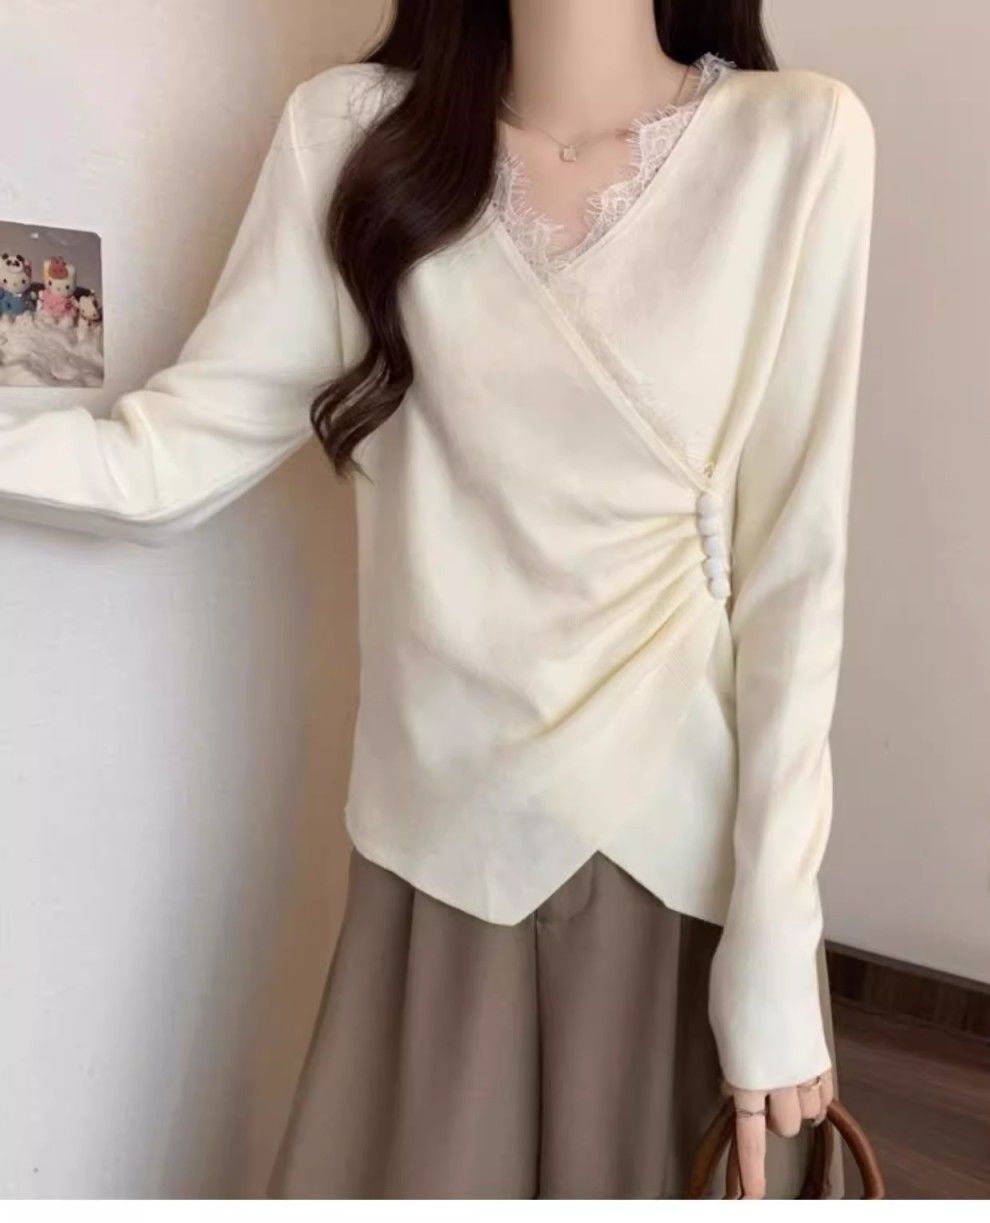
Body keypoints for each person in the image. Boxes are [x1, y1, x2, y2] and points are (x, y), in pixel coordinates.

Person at [0, 0, 876, 1200]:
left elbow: (795, 578)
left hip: (677, 867)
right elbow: (167, 457)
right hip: (441, 850)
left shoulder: (797, 140)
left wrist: (774, 937)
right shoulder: (355, 136)